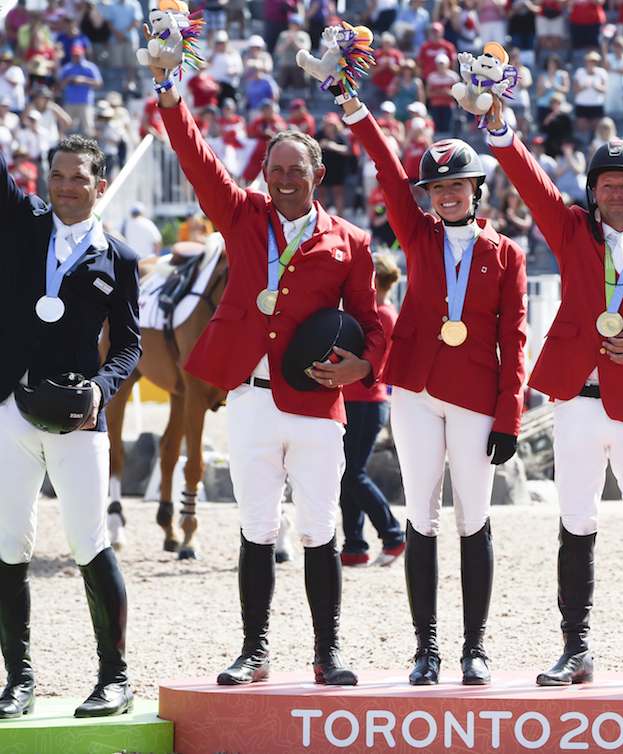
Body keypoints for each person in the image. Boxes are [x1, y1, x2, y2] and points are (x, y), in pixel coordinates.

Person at [146, 36, 387, 688]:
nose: (283, 179)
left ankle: (327, 652)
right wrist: (169, 92)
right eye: (275, 169)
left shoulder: (350, 242)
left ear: (317, 177)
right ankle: (254, 651)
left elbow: (372, 323)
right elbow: (198, 161)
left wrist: (363, 368)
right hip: (250, 397)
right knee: (256, 528)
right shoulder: (242, 215)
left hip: (317, 402)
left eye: (295, 170)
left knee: (318, 529)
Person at [476, 93, 623, 689]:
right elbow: (531, 183)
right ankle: (575, 648)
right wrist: (500, 132)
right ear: (593, 192)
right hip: (576, 401)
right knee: (575, 522)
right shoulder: (572, 230)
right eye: (607, 185)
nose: (616, 193)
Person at [335, 75, 527, 687]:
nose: (446, 195)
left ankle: (475, 648)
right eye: (437, 187)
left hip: (475, 397)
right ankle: (427, 648)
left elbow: (515, 338)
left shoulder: (507, 254)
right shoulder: (417, 233)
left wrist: (510, 415)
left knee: (474, 517)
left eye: (455, 185)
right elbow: (390, 172)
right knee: (421, 513)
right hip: (415, 392)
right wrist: (354, 107)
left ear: (476, 189)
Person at [0, 135, 140, 718]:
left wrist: (100, 390)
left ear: (99, 186)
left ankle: (115, 678)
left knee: (89, 543)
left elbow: (128, 346)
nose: (65, 187)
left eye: (78, 177)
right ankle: (19, 679)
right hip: (10, 408)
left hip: (77, 418)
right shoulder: (23, 223)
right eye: (56, 176)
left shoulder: (120, 257)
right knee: (8, 543)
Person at [339, 252, 405, 568]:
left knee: (352, 473)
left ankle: (393, 534)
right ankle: (354, 545)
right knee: (347, 473)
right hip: (357, 400)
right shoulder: (379, 313)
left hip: (365, 401)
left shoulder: (383, 315)